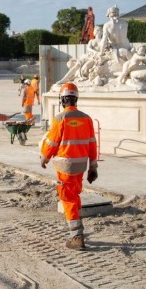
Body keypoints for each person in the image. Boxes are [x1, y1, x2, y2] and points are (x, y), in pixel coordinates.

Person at [40, 83, 98, 250]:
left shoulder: (60, 119)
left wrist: (44, 157)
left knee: (68, 198)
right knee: (75, 194)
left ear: (63, 100)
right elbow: (92, 145)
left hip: (64, 166)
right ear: (76, 99)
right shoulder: (86, 119)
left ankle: (76, 236)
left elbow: (51, 142)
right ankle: (77, 228)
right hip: (80, 166)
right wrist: (93, 167)